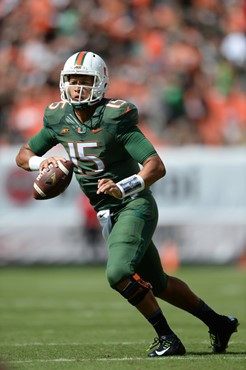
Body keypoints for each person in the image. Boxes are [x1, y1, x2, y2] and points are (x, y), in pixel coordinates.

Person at [16, 51, 238, 357]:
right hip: (106, 211)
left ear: (101, 84)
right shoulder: (57, 117)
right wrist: (42, 161)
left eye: (85, 81)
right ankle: (219, 323)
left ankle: (168, 338)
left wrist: (124, 186)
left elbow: (155, 166)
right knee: (158, 283)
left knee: (118, 272)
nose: (78, 88)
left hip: (134, 205)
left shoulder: (114, 116)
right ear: (63, 83)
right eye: (73, 81)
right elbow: (23, 153)